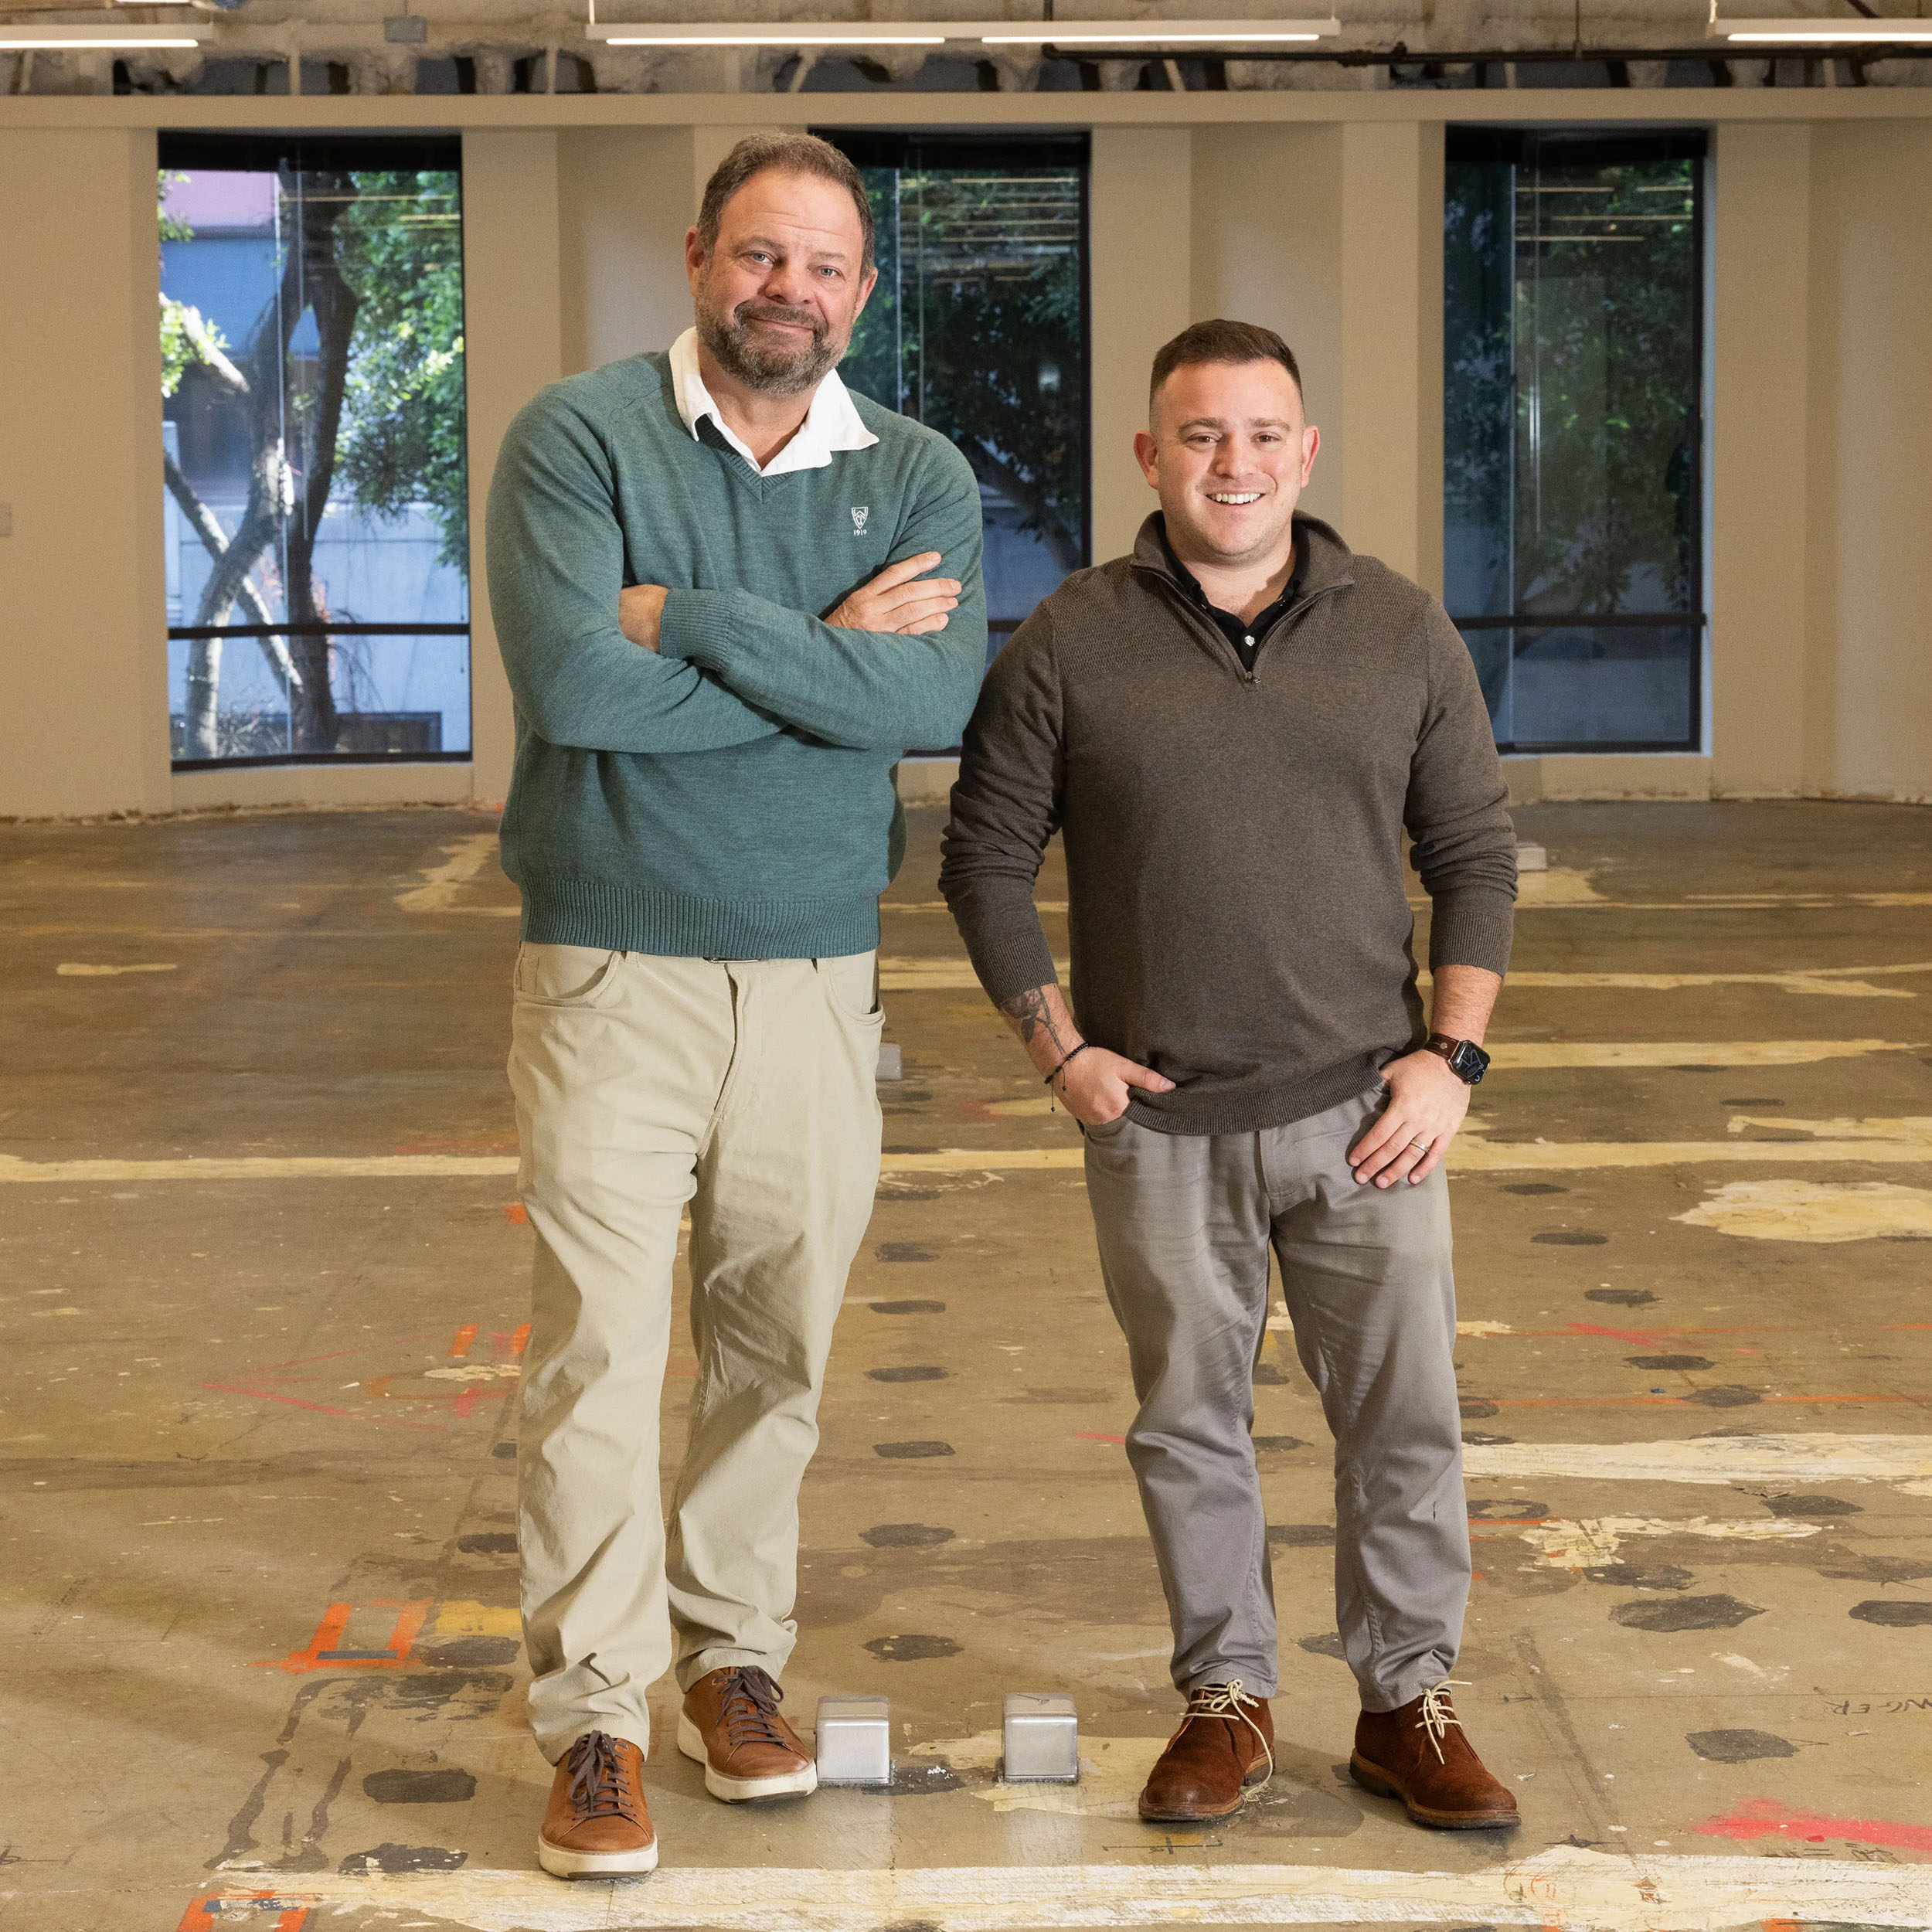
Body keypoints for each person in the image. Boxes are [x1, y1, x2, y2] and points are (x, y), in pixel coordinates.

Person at [940, 319, 1519, 1832]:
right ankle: (1229, 1699)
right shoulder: (1070, 637)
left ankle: (1404, 1701)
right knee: (1187, 1417)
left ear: (1305, 453)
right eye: (1198, 435)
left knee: (1398, 1417)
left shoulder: (1398, 633)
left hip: (1362, 1115)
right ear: (1148, 456)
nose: (1232, 463)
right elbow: (983, 853)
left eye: (1261, 433)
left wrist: (1448, 1059)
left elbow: (1469, 856)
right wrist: (1056, 1044)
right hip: (1158, 1122)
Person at [486, 131, 986, 1876]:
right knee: (604, 1356)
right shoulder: (576, 435)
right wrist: (813, 658)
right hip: (613, 963)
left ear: (862, 289)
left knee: (776, 1346)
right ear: (700, 257)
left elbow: (920, 700)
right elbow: (574, 688)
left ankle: (733, 1662)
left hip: (813, 975)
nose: (789, 287)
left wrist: (682, 614)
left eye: (824, 263)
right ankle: (599, 1719)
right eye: (759, 254)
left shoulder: (915, 472)